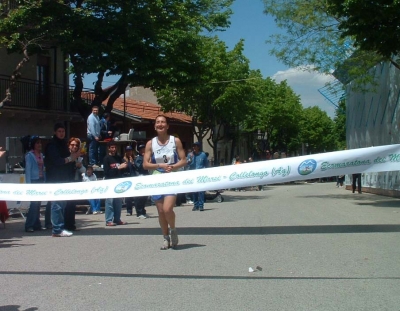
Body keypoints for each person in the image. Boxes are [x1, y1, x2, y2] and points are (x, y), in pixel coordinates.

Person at [143, 115, 187, 250]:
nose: (160, 124)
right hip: (157, 178)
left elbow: (183, 160)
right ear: (155, 126)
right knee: (161, 211)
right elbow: (145, 164)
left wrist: (173, 167)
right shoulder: (150, 143)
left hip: (171, 177)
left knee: (168, 209)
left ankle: (173, 230)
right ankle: (165, 238)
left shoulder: (176, 141)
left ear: (167, 126)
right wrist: (159, 166)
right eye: (158, 122)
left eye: (163, 122)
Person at [44, 122, 80, 237]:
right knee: (57, 204)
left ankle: (61, 227)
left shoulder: (64, 144)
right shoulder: (52, 145)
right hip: (55, 178)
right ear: (55, 132)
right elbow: (57, 161)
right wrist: (70, 158)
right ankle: (57, 229)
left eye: (63, 131)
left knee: (62, 204)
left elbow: (68, 161)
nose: (61, 133)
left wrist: (73, 159)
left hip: (65, 178)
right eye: (59, 131)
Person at [103, 141, 128, 226]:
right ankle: (109, 220)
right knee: (110, 201)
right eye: (112, 147)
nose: (114, 149)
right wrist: (118, 168)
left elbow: (124, 168)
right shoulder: (106, 159)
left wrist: (126, 164)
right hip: (110, 182)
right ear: (109, 148)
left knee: (118, 202)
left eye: (115, 147)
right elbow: (107, 172)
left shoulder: (119, 157)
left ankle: (117, 219)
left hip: (118, 182)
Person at [24, 136, 45, 232]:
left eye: (40, 143)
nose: (39, 145)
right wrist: (28, 185)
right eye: (37, 143)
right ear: (33, 144)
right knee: (34, 203)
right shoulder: (29, 155)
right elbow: (28, 170)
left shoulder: (42, 155)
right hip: (33, 180)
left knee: (38, 203)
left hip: (40, 179)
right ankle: (29, 225)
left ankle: (37, 224)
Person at [64, 137, 85, 231]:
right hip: (67, 182)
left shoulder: (79, 157)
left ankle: (72, 225)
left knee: (72, 205)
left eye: (76, 145)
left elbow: (85, 170)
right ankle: (65, 225)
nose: (74, 147)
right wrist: (73, 164)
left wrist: (80, 166)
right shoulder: (66, 155)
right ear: (69, 145)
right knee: (66, 205)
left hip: (76, 181)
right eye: (72, 145)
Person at [188, 142, 209, 211]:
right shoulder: (190, 155)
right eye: (193, 146)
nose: (194, 148)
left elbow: (206, 165)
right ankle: (195, 205)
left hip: (200, 175)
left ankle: (201, 205)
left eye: (195, 146)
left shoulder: (203, 155)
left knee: (201, 191)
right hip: (193, 174)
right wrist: (190, 159)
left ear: (198, 147)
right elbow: (187, 164)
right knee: (194, 191)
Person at [132, 144, 150, 219]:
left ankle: (143, 211)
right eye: (141, 149)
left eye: (144, 149)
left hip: (145, 177)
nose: (143, 150)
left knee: (144, 197)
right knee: (139, 197)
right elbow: (140, 167)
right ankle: (139, 213)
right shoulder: (138, 158)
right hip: (140, 178)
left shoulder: (145, 157)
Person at [123, 145, 138, 216]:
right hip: (127, 178)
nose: (129, 152)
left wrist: (133, 163)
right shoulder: (123, 159)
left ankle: (138, 210)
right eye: (127, 151)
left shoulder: (135, 159)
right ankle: (129, 210)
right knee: (128, 196)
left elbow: (137, 168)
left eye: (130, 150)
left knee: (136, 196)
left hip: (134, 178)